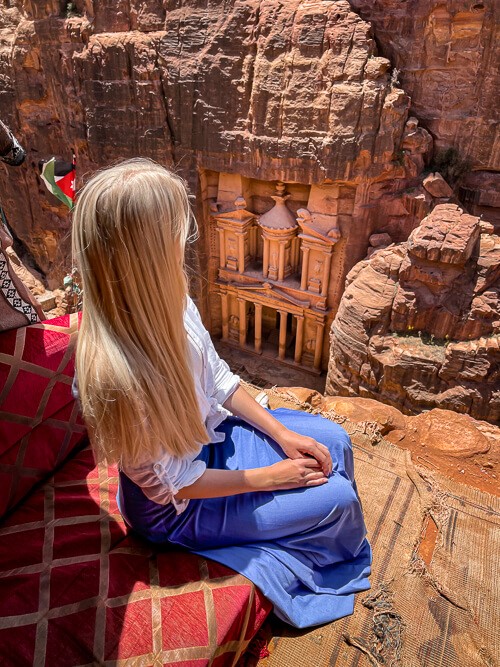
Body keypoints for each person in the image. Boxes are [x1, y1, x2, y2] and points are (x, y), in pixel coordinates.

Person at [71, 158, 372, 628]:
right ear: (147, 253)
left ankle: (305, 528)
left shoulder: (174, 299)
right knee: (338, 501)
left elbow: (219, 378)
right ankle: (312, 562)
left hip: (211, 443)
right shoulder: (116, 377)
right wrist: (267, 479)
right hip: (178, 508)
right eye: (174, 228)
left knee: (334, 442)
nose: (185, 239)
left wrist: (279, 433)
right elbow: (172, 482)